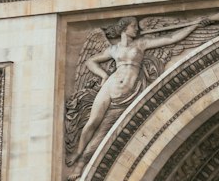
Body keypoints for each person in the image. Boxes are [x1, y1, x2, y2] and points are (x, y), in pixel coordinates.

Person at [75, 16, 209, 160]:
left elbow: (171, 38)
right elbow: (90, 61)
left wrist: (194, 25)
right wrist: (104, 76)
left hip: (128, 91)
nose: (137, 29)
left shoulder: (141, 44)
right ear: (124, 28)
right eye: (134, 26)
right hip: (110, 86)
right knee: (93, 121)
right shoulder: (113, 49)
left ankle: (83, 159)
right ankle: (78, 153)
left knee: (103, 126)